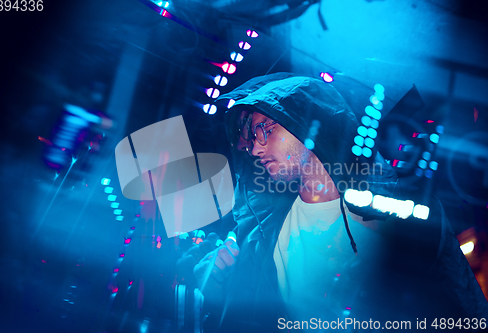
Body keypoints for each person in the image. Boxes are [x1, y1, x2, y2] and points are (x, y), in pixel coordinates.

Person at [188, 73, 488, 332]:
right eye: (248, 138)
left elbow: (467, 310)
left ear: (304, 119)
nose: (254, 148)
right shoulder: (261, 231)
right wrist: (214, 288)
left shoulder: (404, 213)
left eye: (263, 129)